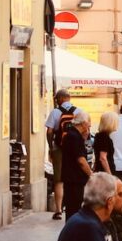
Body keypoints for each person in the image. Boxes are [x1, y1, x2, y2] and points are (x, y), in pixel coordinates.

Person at [44, 90, 76, 219]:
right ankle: (73, 207)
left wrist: (51, 146)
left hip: (59, 149)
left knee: (59, 180)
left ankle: (58, 210)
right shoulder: (78, 111)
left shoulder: (55, 112)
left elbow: (49, 131)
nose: (56, 100)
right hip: (73, 150)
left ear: (62, 98)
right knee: (73, 178)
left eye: (57, 98)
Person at [60, 110, 94, 216]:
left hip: (72, 178)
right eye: (89, 123)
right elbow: (81, 160)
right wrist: (91, 175)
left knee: (73, 208)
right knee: (73, 209)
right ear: (83, 123)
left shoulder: (72, 135)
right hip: (74, 179)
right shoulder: (74, 137)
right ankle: (72, 231)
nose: (90, 125)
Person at [93, 111, 118, 176]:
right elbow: (103, 158)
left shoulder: (99, 135)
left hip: (101, 171)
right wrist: (110, 175)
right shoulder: (104, 137)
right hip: (105, 173)